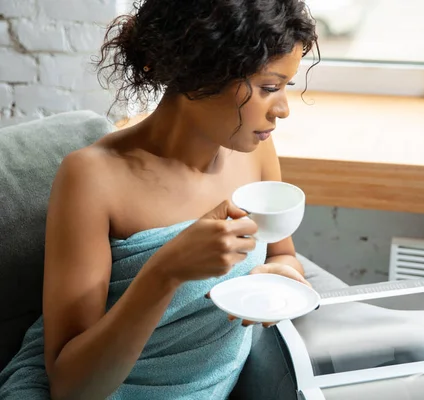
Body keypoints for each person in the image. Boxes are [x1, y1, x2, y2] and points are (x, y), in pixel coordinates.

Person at [0, 0, 319, 399]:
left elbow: (280, 255)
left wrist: (281, 276)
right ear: (197, 75)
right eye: (270, 87)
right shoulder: (93, 178)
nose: (284, 109)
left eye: (287, 85)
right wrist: (165, 272)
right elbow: (71, 387)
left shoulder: (255, 153)